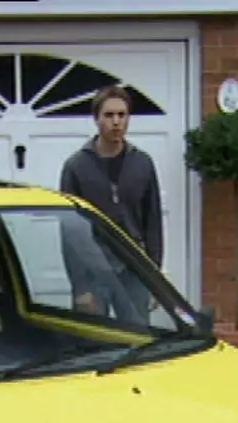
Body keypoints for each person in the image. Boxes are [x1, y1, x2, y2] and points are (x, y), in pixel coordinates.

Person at [58, 85, 164, 322]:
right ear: (96, 119)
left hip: (133, 268)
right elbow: (69, 232)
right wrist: (80, 286)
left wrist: (155, 278)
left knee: (139, 337)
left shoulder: (142, 163)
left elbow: (153, 222)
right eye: (109, 115)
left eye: (122, 115)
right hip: (92, 269)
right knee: (94, 343)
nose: (116, 121)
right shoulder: (76, 166)